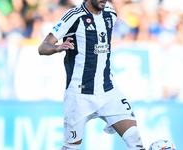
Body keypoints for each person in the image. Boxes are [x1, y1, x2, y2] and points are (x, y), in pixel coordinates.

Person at [38, 0, 145, 149]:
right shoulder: (73, 16)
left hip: (108, 92)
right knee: (70, 147)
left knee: (135, 140)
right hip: (79, 95)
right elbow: (42, 47)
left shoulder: (110, 14)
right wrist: (57, 47)